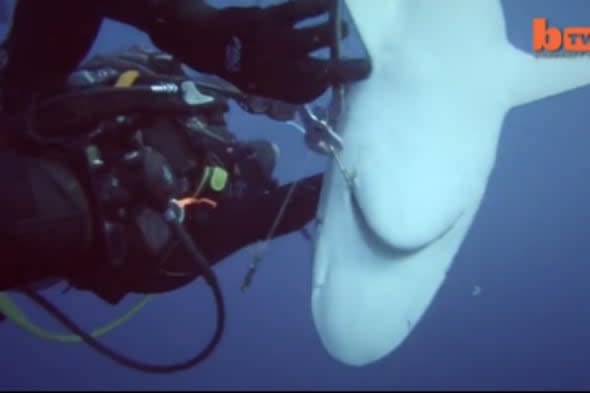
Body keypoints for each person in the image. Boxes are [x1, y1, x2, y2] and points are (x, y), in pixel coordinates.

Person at [0, 0, 370, 293]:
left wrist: (206, 32)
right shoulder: (157, 253)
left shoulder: (23, 100)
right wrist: (206, 33)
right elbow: (259, 218)